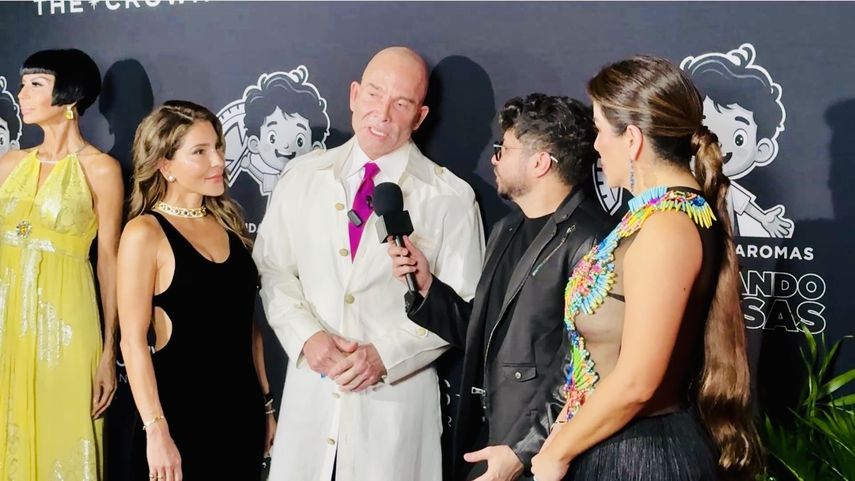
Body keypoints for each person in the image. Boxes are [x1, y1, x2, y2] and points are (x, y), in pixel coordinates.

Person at [253, 46, 484, 481]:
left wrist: (385, 355)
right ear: (354, 95)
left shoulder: (450, 197)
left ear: (419, 117)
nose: (382, 113)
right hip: (310, 401)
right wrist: (308, 338)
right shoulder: (302, 176)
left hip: (395, 410)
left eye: (402, 104)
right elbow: (272, 268)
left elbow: (463, 306)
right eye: (375, 95)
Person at [530, 56, 762, 481]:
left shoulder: (668, 230)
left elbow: (638, 380)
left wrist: (555, 454)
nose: (596, 145)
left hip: (640, 459)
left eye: (600, 130)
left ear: (632, 139)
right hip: (616, 447)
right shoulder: (656, 219)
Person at [388, 93, 612, 481]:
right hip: (482, 437)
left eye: (503, 149)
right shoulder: (505, 229)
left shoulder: (590, 238)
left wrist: (523, 450)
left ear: (540, 162)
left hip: (537, 455)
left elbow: (582, 365)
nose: (494, 159)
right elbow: (482, 332)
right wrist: (426, 286)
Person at [118, 100, 275, 481]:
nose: (218, 161)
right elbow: (133, 342)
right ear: (165, 165)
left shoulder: (230, 226)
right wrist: (155, 430)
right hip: (178, 419)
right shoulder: (145, 233)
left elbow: (248, 328)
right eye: (200, 152)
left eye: (218, 147)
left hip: (241, 415)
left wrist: (267, 407)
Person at [0, 48, 122, 480]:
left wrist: (109, 351)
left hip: (67, 326)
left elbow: (109, 261)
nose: (22, 94)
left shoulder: (102, 170)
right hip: (5, 322)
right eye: (22, 84)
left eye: (35, 84)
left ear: (69, 96)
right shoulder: (9, 164)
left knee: (65, 436)